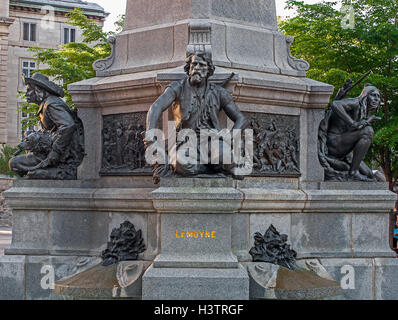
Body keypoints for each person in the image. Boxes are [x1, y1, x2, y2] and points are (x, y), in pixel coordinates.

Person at [145, 51, 249, 178]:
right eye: (194, 64)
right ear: (188, 68)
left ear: (209, 69)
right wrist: (150, 135)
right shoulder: (177, 87)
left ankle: (210, 165)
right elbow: (156, 107)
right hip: (185, 140)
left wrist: (229, 137)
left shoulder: (219, 92)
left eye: (202, 65)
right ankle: (213, 168)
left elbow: (241, 119)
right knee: (181, 163)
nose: (197, 68)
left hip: (211, 139)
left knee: (226, 156)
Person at [9, 73, 84, 179]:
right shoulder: (46, 104)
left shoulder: (51, 104)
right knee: (15, 163)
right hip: (50, 150)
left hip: (60, 154)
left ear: (38, 90)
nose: (26, 94)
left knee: (14, 163)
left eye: (29, 90)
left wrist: (55, 152)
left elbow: (68, 125)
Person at [319, 84, 381, 181]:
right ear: (365, 95)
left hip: (344, 150)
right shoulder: (356, 102)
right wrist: (353, 123)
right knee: (367, 131)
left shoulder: (363, 110)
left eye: (378, 96)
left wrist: (366, 121)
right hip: (334, 143)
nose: (376, 99)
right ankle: (353, 173)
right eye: (373, 95)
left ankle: (353, 171)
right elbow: (335, 104)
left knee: (371, 175)